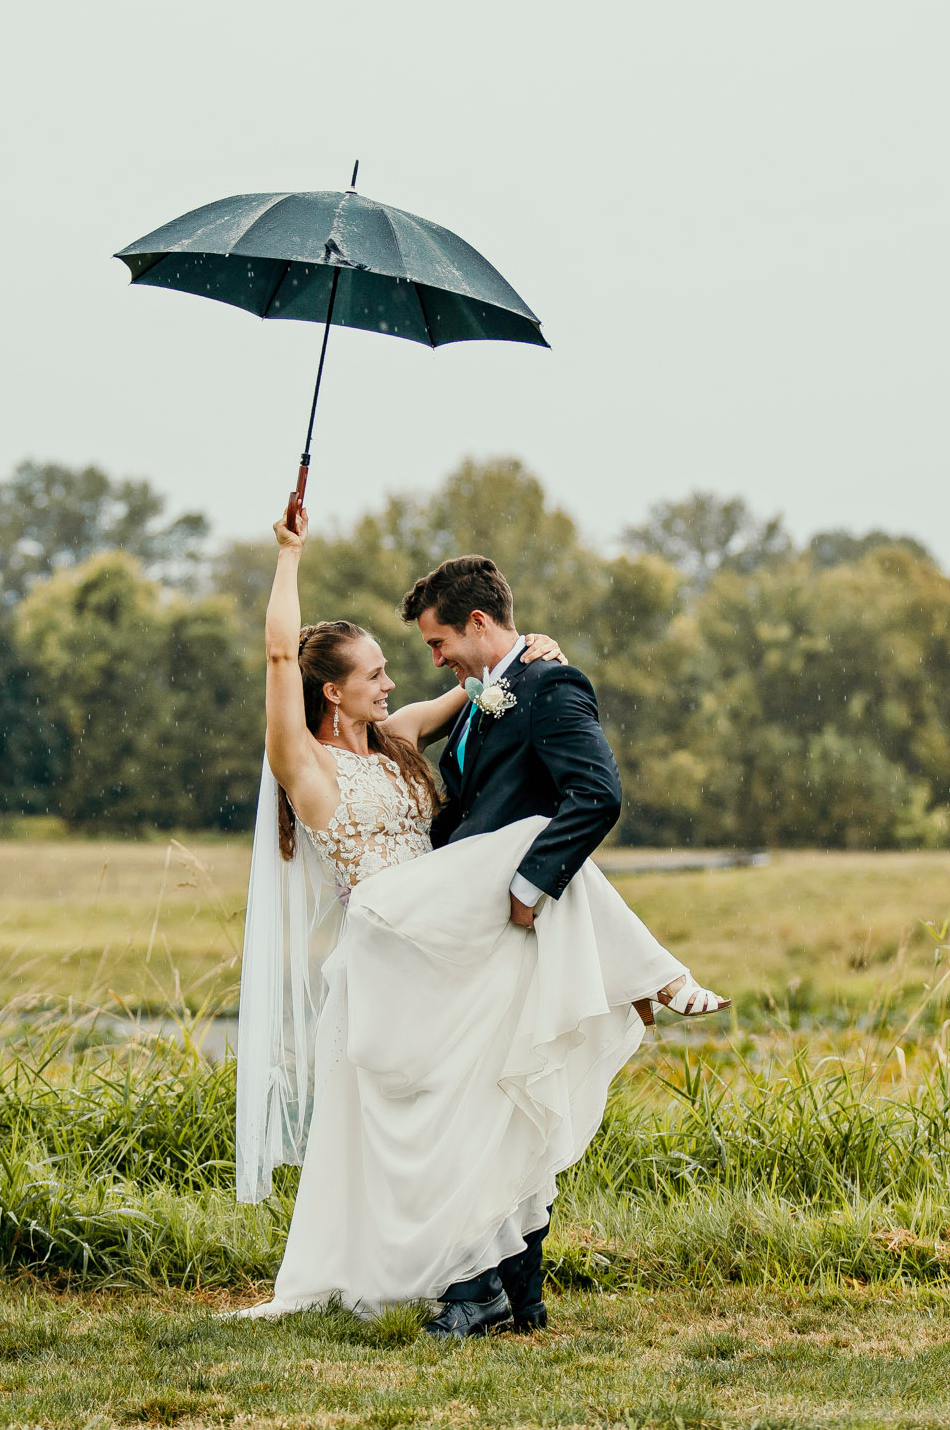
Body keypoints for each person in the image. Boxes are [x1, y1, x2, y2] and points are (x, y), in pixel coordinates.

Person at [230, 506, 728, 1337]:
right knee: (532, 841)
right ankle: (650, 975)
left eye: (399, 664)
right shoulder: (304, 764)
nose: (391, 683)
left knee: (471, 1105)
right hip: (393, 924)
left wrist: (532, 652)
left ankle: (488, 1285)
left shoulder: (392, 737)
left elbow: (475, 686)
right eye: (376, 672)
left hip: (440, 929)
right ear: (330, 689)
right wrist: (289, 557)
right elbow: (280, 653)